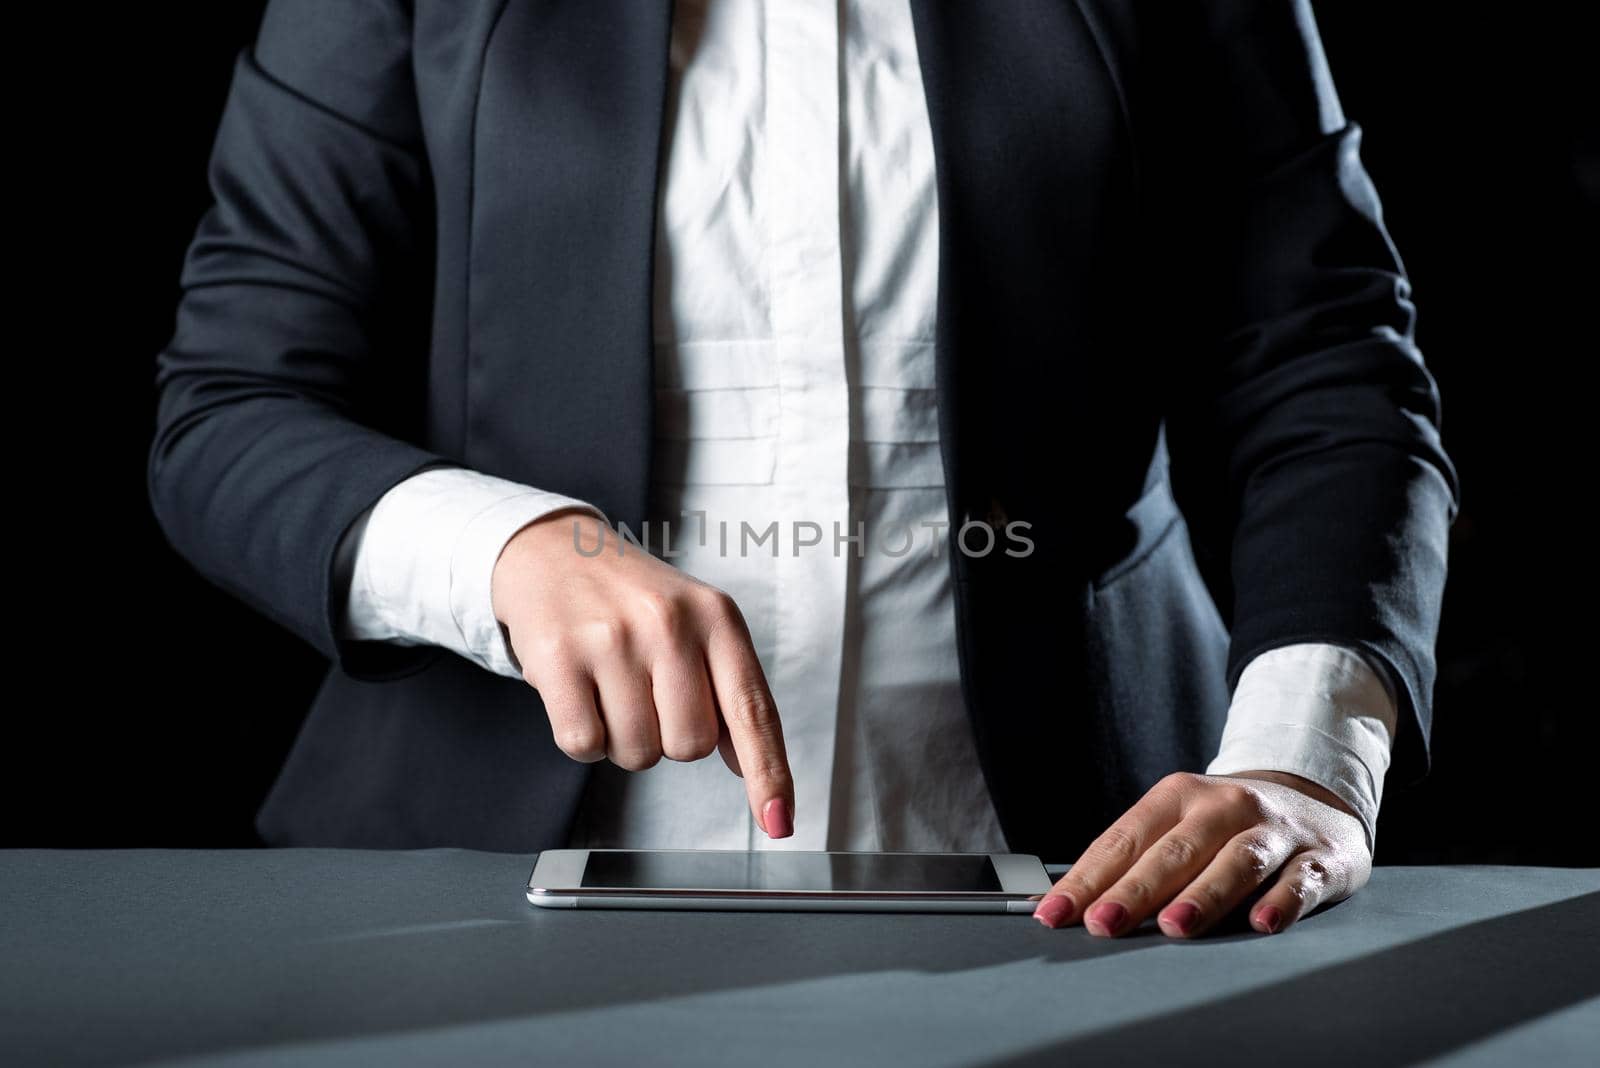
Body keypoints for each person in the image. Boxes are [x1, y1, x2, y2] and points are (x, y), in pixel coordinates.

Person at [149, 0, 1457, 939]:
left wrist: (1302, 760)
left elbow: (1331, 365)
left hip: (1100, 890)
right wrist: (505, 551)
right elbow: (229, 404)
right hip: (466, 906)